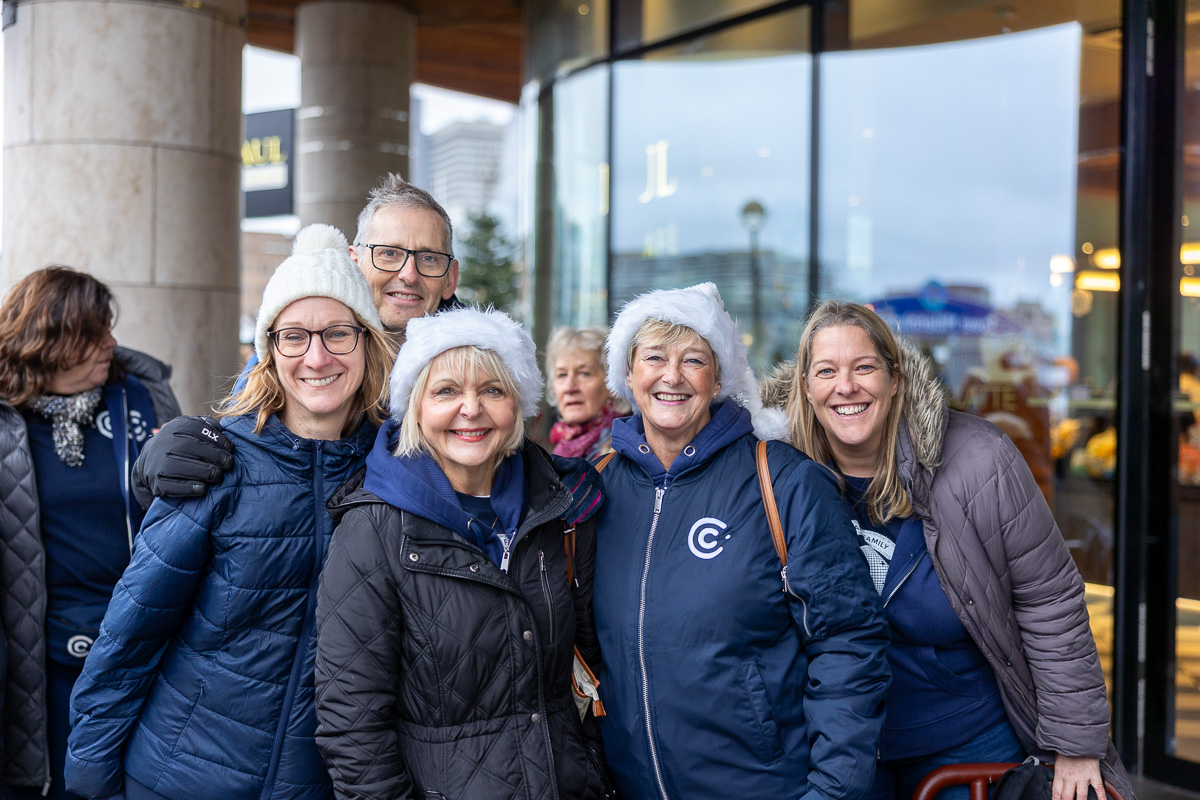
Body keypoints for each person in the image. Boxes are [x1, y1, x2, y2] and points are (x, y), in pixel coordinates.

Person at [63, 225, 392, 800]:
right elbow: (130, 635)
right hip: (179, 776)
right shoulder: (215, 463)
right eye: (294, 336)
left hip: (314, 785)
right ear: (269, 352)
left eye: (338, 333)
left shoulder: (394, 474)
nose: (316, 357)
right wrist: (91, 776)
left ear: (367, 343)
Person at [761, 300, 1135, 800]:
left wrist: (1076, 743)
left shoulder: (978, 460)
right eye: (826, 371)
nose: (845, 386)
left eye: (864, 367)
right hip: (833, 745)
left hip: (966, 740)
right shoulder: (773, 479)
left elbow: (1050, 601)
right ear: (806, 389)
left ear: (896, 379)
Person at [131, 175, 600, 527]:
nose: (408, 275)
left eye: (428, 259)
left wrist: (563, 482)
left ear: (451, 277)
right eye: (389, 253)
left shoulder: (477, 359)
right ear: (355, 260)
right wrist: (158, 462)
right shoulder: (307, 355)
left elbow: (507, 448)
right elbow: (243, 431)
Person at [591, 282, 890, 800]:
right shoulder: (597, 487)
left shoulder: (783, 481)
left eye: (693, 360)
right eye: (655, 357)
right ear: (629, 372)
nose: (672, 376)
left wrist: (834, 793)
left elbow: (849, 643)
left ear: (719, 377)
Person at [314, 307, 611, 800]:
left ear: (517, 404)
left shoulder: (560, 506)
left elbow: (589, 673)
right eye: (447, 391)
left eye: (492, 390)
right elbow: (352, 725)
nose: (470, 409)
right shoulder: (373, 529)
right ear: (416, 408)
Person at [0, 267, 181, 799]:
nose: (112, 342)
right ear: (50, 340)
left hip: (142, 652)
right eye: (95, 332)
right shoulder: (7, 421)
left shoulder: (143, 399)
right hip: (42, 664)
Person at [545, 326, 629, 460]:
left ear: (612, 382)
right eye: (562, 375)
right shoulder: (559, 450)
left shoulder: (626, 446)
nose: (569, 387)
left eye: (584, 373)